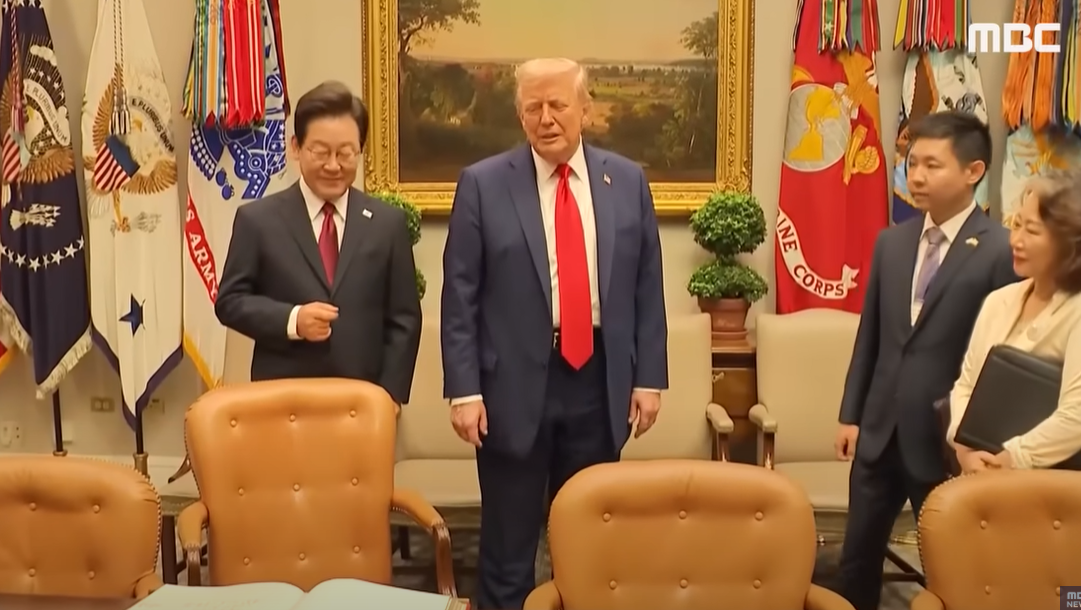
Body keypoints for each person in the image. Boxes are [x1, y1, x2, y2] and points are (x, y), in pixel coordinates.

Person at [440, 57, 667, 610]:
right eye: (533, 108)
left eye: (558, 105)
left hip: (598, 381)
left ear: (584, 110)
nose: (546, 118)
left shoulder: (626, 181)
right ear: (520, 115)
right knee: (507, 549)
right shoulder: (483, 184)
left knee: (589, 544)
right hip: (511, 389)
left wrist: (649, 379)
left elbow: (646, 286)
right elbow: (460, 295)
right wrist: (464, 391)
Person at [833, 110, 1019, 610]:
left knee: (951, 569)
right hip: (878, 434)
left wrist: (982, 438)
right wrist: (850, 414)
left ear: (973, 171)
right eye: (911, 163)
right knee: (856, 562)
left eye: (932, 165)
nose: (916, 176)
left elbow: (1002, 360)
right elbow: (871, 337)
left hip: (945, 441)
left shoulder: (1001, 251)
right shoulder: (892, 242)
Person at [216, 81, 422, 404]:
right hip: (282, 401)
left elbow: (405, 318)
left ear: (360, 151)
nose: (333, 165)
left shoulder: (387, 224)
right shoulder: (258, 221)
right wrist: (293, 319)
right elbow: (230, 302)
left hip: (363, 403)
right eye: (321, 152)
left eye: (345, 153)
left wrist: (389, 397)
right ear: (296, 147)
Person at [948, 173, 1081, 472]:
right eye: (1016, 225)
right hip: (977, 472)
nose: (1015, 240)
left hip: (1050, 485)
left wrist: (1012, 458)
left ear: (1070, 242)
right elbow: (966, 384)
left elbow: (1077, 415)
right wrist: (963, 446)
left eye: (1031, 230)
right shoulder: (999, 300)